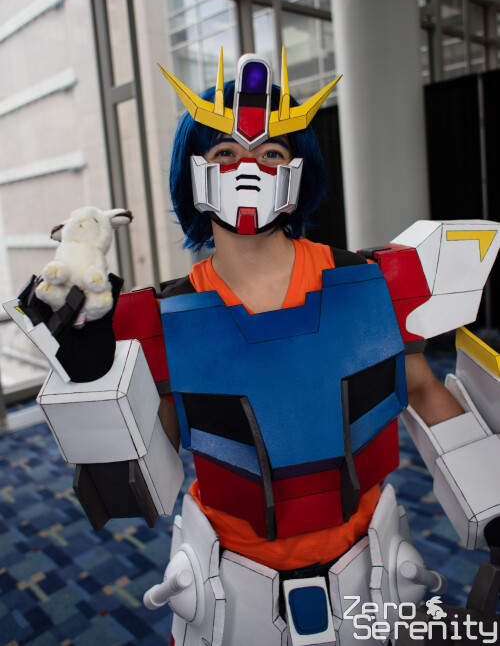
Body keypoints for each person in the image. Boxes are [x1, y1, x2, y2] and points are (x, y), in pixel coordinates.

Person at [7, 48, 500, 645]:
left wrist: (492, 501)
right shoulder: (158, 317)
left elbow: (420, 387)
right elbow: (148, 463)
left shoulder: (371, 284)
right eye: (225, 152)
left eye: (271, 152)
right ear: (195, 172)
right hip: (232, 581)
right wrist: (95, 380)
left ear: (298, 170)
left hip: (369, 563)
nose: (248, 168)